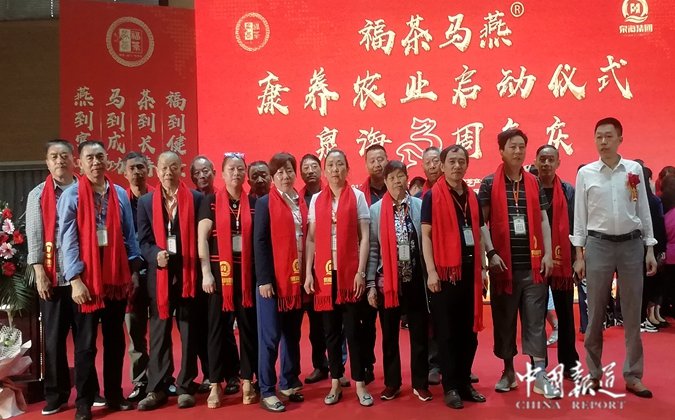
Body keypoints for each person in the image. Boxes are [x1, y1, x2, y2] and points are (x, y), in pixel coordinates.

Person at [572, 117, 657, 398]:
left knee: (632, 313)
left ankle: (633, 375)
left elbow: (643, 210)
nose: (603, 142)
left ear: (620, 139)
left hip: (632, 245)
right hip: (598, 246)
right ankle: (593, 374)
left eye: (609, 136)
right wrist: (579, 254)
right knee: (595, 312)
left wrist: (649, 247)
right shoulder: (586, 173)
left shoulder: (633, 170)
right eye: (599, 136)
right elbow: (580, 217)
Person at [58, 140, 141, 420]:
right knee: (85, 345)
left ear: (108, 160)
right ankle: (84, 401)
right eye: (90, 158)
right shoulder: (71, 196)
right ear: (80, 163)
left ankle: (115, 394)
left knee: (116, 340)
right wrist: (75, 279)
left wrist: (133, 271)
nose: (96, 162)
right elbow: (67, 240)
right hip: (87, 281)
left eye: (100, 157)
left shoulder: (119, 194)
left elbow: (129, 236)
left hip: (116, 279)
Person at [478, 128, 559, 399]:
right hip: (503, 268)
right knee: (505, 322)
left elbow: (544, 219)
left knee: (535, 321)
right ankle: (509, 371)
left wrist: (547, 253)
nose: (518, 151)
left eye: (522, 146)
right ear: (501, 151)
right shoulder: (489, 183)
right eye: (512, 146)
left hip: (533, 267)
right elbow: (481, 223)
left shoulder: (534, 182)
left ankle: (540, 375)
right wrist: (491, 253)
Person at [422, 145, 489, 409]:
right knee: (447, 334)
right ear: (442, 165)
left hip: (470, 273)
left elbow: (479, 234)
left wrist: (482, 269)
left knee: (469, 333)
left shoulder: (471, 196)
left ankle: (464, 382)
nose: (457, 166)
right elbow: (426, 236)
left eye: (461, 161)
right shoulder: (432, 196)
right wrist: (431, 271)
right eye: (452, 161)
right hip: (444, 274)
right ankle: (450, 386)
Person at [304, 150, 372, 406]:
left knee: (354, 331)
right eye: (331, 165)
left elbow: (364, 237)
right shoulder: (316, 200)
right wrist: (308, 272)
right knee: (330, 332)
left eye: (340, 164)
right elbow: (311, 239)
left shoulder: (357, 197)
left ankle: (360, 383)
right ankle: (335, 382)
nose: (335, 169)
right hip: (325, 275)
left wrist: (361, 272)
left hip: (349, 274)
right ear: (325, 170)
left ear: (347, 168)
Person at [136, 151, 203, 410]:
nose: (168, 172)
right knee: (159, 333)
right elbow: (143, 241)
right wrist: (155, 255)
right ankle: (157, 388)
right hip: (160, 277)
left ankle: (185, 386)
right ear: (156, 170)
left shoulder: (195, 198)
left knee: (189, 331)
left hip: (188, 275)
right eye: (163, 167)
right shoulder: (145, 202)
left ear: (181, 169)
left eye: (173, 167)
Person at [27, 139, 86, 416]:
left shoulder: (85, 190)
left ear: (74, 160)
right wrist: (39, 271)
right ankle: (56, 393)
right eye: (54, 156)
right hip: (52, 278)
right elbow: (35, 235)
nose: (60, 161)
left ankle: (88, 391)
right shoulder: (38, 194)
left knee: (85, 341)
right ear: (47, 162)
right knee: (53, 340)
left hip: (83, 278)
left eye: (64, 155)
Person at [367, 159, 432, 402]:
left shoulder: (419, 205)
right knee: (390, 336)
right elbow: (373, 249)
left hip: (415, 279)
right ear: (385, 181)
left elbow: (427, 240)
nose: (397, 181)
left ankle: (420, 383)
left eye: (400, 176)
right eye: (392, 177)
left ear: (407, 178)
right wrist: (371, 284)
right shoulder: (376, 210)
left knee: (419, 334)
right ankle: (392, 383)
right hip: (388, 283)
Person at [198, 152, 259, 407]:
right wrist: (206, 272)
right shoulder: (211, 201)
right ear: (222, 174)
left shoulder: (253, 202)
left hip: (246, 278)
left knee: (248, 330)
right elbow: (202, 238)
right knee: (216, 331)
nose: (236, 173)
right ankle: (215, 384)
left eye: (240, 169)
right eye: (231, 169)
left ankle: (247, 381)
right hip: (218, 277)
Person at [254, 153, 305, 412]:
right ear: (273, 177)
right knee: (271, 336)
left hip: (296, 280)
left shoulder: (301, 201)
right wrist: (264, 279)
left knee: (292, 334)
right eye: (280, 173)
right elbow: (260, 241)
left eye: (289, 171)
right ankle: (266, 389)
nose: (285, 176)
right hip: (272, 282)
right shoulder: (265, 203)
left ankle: (288, 381)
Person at [189, 155, 240, 395]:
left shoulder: (223, 198)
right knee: (205, 327)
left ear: (214, 173)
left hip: (224, 273)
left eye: (206, 171)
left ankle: (232, 374)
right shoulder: (192, 199)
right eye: (197, 172)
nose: (202, 176)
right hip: (198, 272)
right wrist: (204, 272)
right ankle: (211, 374)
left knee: (224, 326)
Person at [534, 145, 579, 376]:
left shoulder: (568, 190)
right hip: (536, 260)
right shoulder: (529, 188)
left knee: (566, 314)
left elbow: (577, 224)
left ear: (558, 162)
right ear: (536, 161)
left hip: (563, 261)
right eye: (542, 159)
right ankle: (538, 365)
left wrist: (578, 257)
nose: (546, 164)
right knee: (535, 317)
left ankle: (569, 363)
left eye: (551, 159)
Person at [122, 152, 155, 402]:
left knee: (160, 330)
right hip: (130, 274)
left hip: (156, 271)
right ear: (125, 173)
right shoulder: (120, 200)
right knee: (135, 331)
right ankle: (141, 380)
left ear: (148, 170)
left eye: (141, 167)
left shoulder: (158, 197)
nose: (137, 172)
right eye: (132, 168)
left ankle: (162, 378)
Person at [357, 144, 389, 384]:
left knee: (390, 323)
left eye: (381, 159)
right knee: (366, 324)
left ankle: (393, 372)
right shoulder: (359, 196)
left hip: (393, 268)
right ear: (366, 164)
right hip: (366, 265)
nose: (377, 164)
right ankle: (367, 365)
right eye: (373, 160)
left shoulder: (397, 189)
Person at [299, 154, 330, 384]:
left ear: (321, 170)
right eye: (305, 168)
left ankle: (337, 365)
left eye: (313, 166)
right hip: (304, 268)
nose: (310, 171)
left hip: (330, 265)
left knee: (333, 321)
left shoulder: (331, 195)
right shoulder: (296, 198)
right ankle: (320, 365)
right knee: (314, 325)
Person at [639, 165, 668, 332]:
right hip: (651, 246)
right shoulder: (654, 201)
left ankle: (644, 316)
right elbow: (659, 226)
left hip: (638, 246)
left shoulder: (638, 200)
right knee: (649, 284)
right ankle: (644, 317)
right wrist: (660, 247)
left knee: (641, 284)